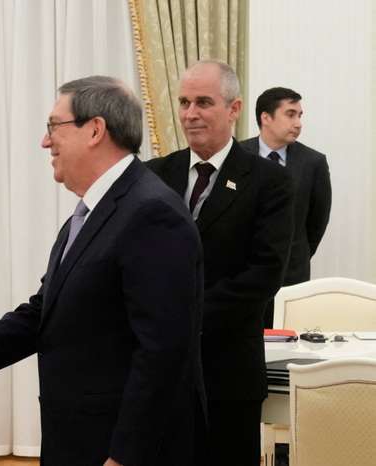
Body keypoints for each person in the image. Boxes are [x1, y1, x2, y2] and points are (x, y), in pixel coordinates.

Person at [0, 76, 205, 465]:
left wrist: (125, 456)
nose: (45, 141)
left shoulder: (150, 213)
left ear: (95, 130)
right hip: (77, 438)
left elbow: (163, 352)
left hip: (118, 448)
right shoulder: (93, 212)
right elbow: (44, 314)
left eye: (54, 126)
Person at [146, 61, 294, 465]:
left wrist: (185, 319)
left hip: (228, 374)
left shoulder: (270, 182)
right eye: (184, 102)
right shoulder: (153, 175)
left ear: (234, 109)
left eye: (204, 103)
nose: (190, 114)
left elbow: (264, 274)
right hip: (158, 373)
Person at [241, 87, 332, 327]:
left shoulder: (313, 163)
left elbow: (316, 222)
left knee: (288, 348)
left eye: (300, 115)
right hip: (240, 273)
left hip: (292, 277)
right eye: (290, 114)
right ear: (266, 117)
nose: (298, 123)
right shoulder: (237, 155)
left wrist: (297, 254)